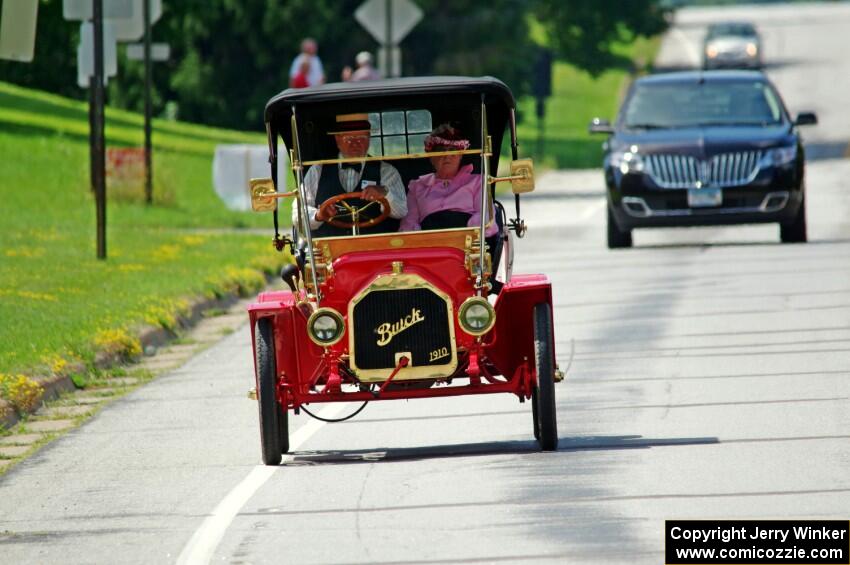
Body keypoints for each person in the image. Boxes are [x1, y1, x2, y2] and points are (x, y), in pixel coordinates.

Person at [295, 113, 407, 237]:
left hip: (374, 246)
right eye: (349, 139)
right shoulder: (317, 170)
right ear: (337, 139)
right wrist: (319, 215)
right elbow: (297, 216)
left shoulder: (386, 171)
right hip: (329, 249)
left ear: (369, 138)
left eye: (361, 139)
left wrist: (385, 193)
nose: (355, 143)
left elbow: (402, 211)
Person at [400, 124, 498, 237]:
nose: (447, 156)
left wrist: (462, 234)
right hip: (430, 242)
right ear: (431, 157)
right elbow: (409, 223)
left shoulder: (477, 182)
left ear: (460, 155)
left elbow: (485, 215)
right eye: (441, 151)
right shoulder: (417, 187)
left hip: (468, 241)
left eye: (452, 150)